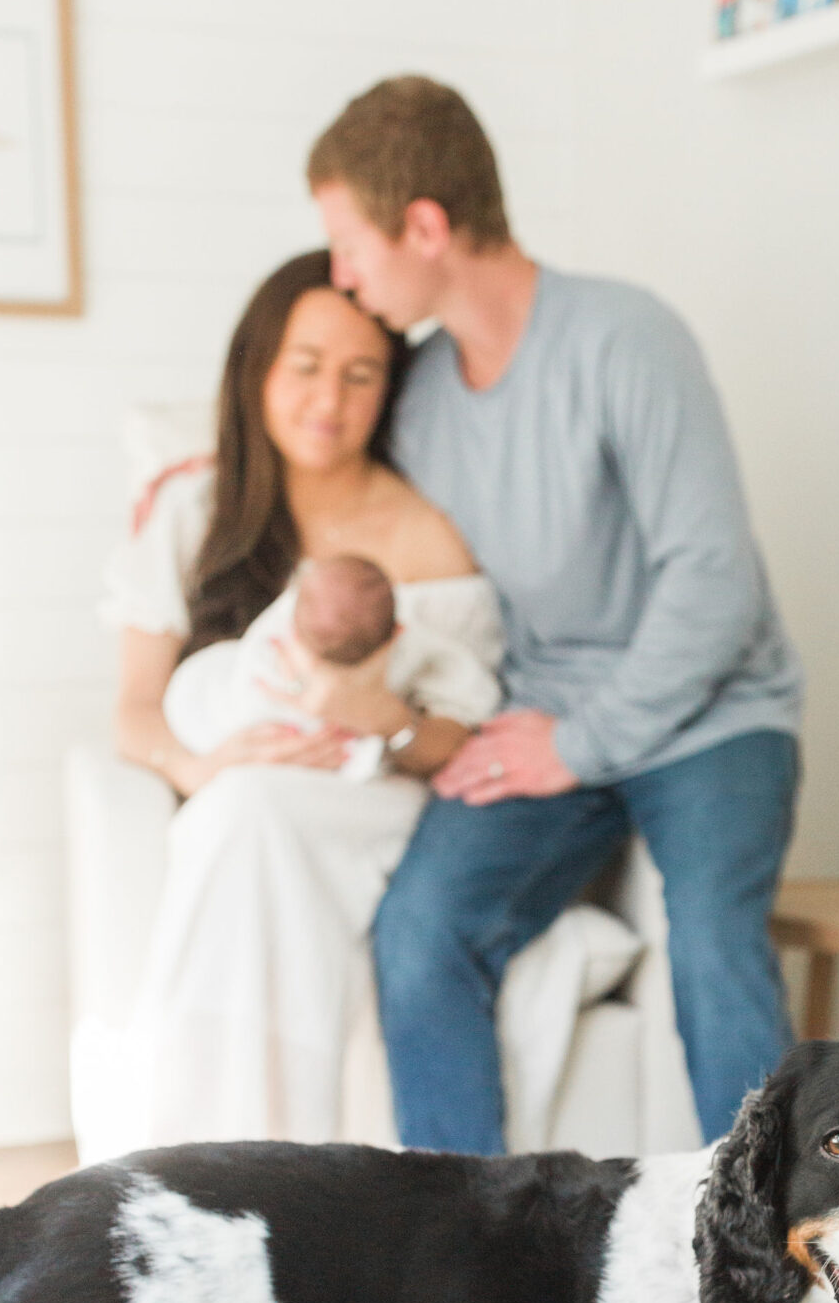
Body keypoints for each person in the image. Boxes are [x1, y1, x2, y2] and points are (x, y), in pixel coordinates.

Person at [307, 75, 804, 1155]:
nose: (343, 275)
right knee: (422, 930)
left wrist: (580, 745)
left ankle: (783, 1276)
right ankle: (463, 1267)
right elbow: (333, 491)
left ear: (426, 226)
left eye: (351, 242)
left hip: (715, 714)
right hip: (547, 720)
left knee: (712, 944)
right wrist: (204, 484)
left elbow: (713, 584)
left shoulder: (627, 339)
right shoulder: (424, 394)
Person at [103, 249, 503, 1148]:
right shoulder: (193, 506)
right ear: (258, 370)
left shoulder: (424, 534)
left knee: (250, 816)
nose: (330, 401)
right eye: (307, 367)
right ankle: (210, 1154)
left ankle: (242, 1164)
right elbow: (134, 708)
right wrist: (198, 765)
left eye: (360, 375)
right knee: (238, 808)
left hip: (372, 803)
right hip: (238, 791)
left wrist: (381, 719)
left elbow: (456, 736)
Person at [163, 551, 500, 784]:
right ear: (396, 631)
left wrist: (380, 718)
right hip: (233, 720)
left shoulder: (297, 621)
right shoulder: (272, 650)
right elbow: (465, 681)